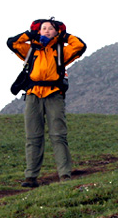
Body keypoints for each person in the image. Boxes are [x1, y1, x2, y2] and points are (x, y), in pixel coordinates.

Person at [7, 18, 86, 187]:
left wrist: (64, 36)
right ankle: (30, 177)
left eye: (51, 28)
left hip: (54, 94)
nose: (47, 31)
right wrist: (30, 35)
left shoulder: (61, 50)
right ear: (39, 31)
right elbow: (12, 43)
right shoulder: (31, 49)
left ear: (56, 32)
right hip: (33, 95)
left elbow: (80, 46)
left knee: (58, 135)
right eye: (43, 28)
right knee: (33, 136)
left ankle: (64, 175)